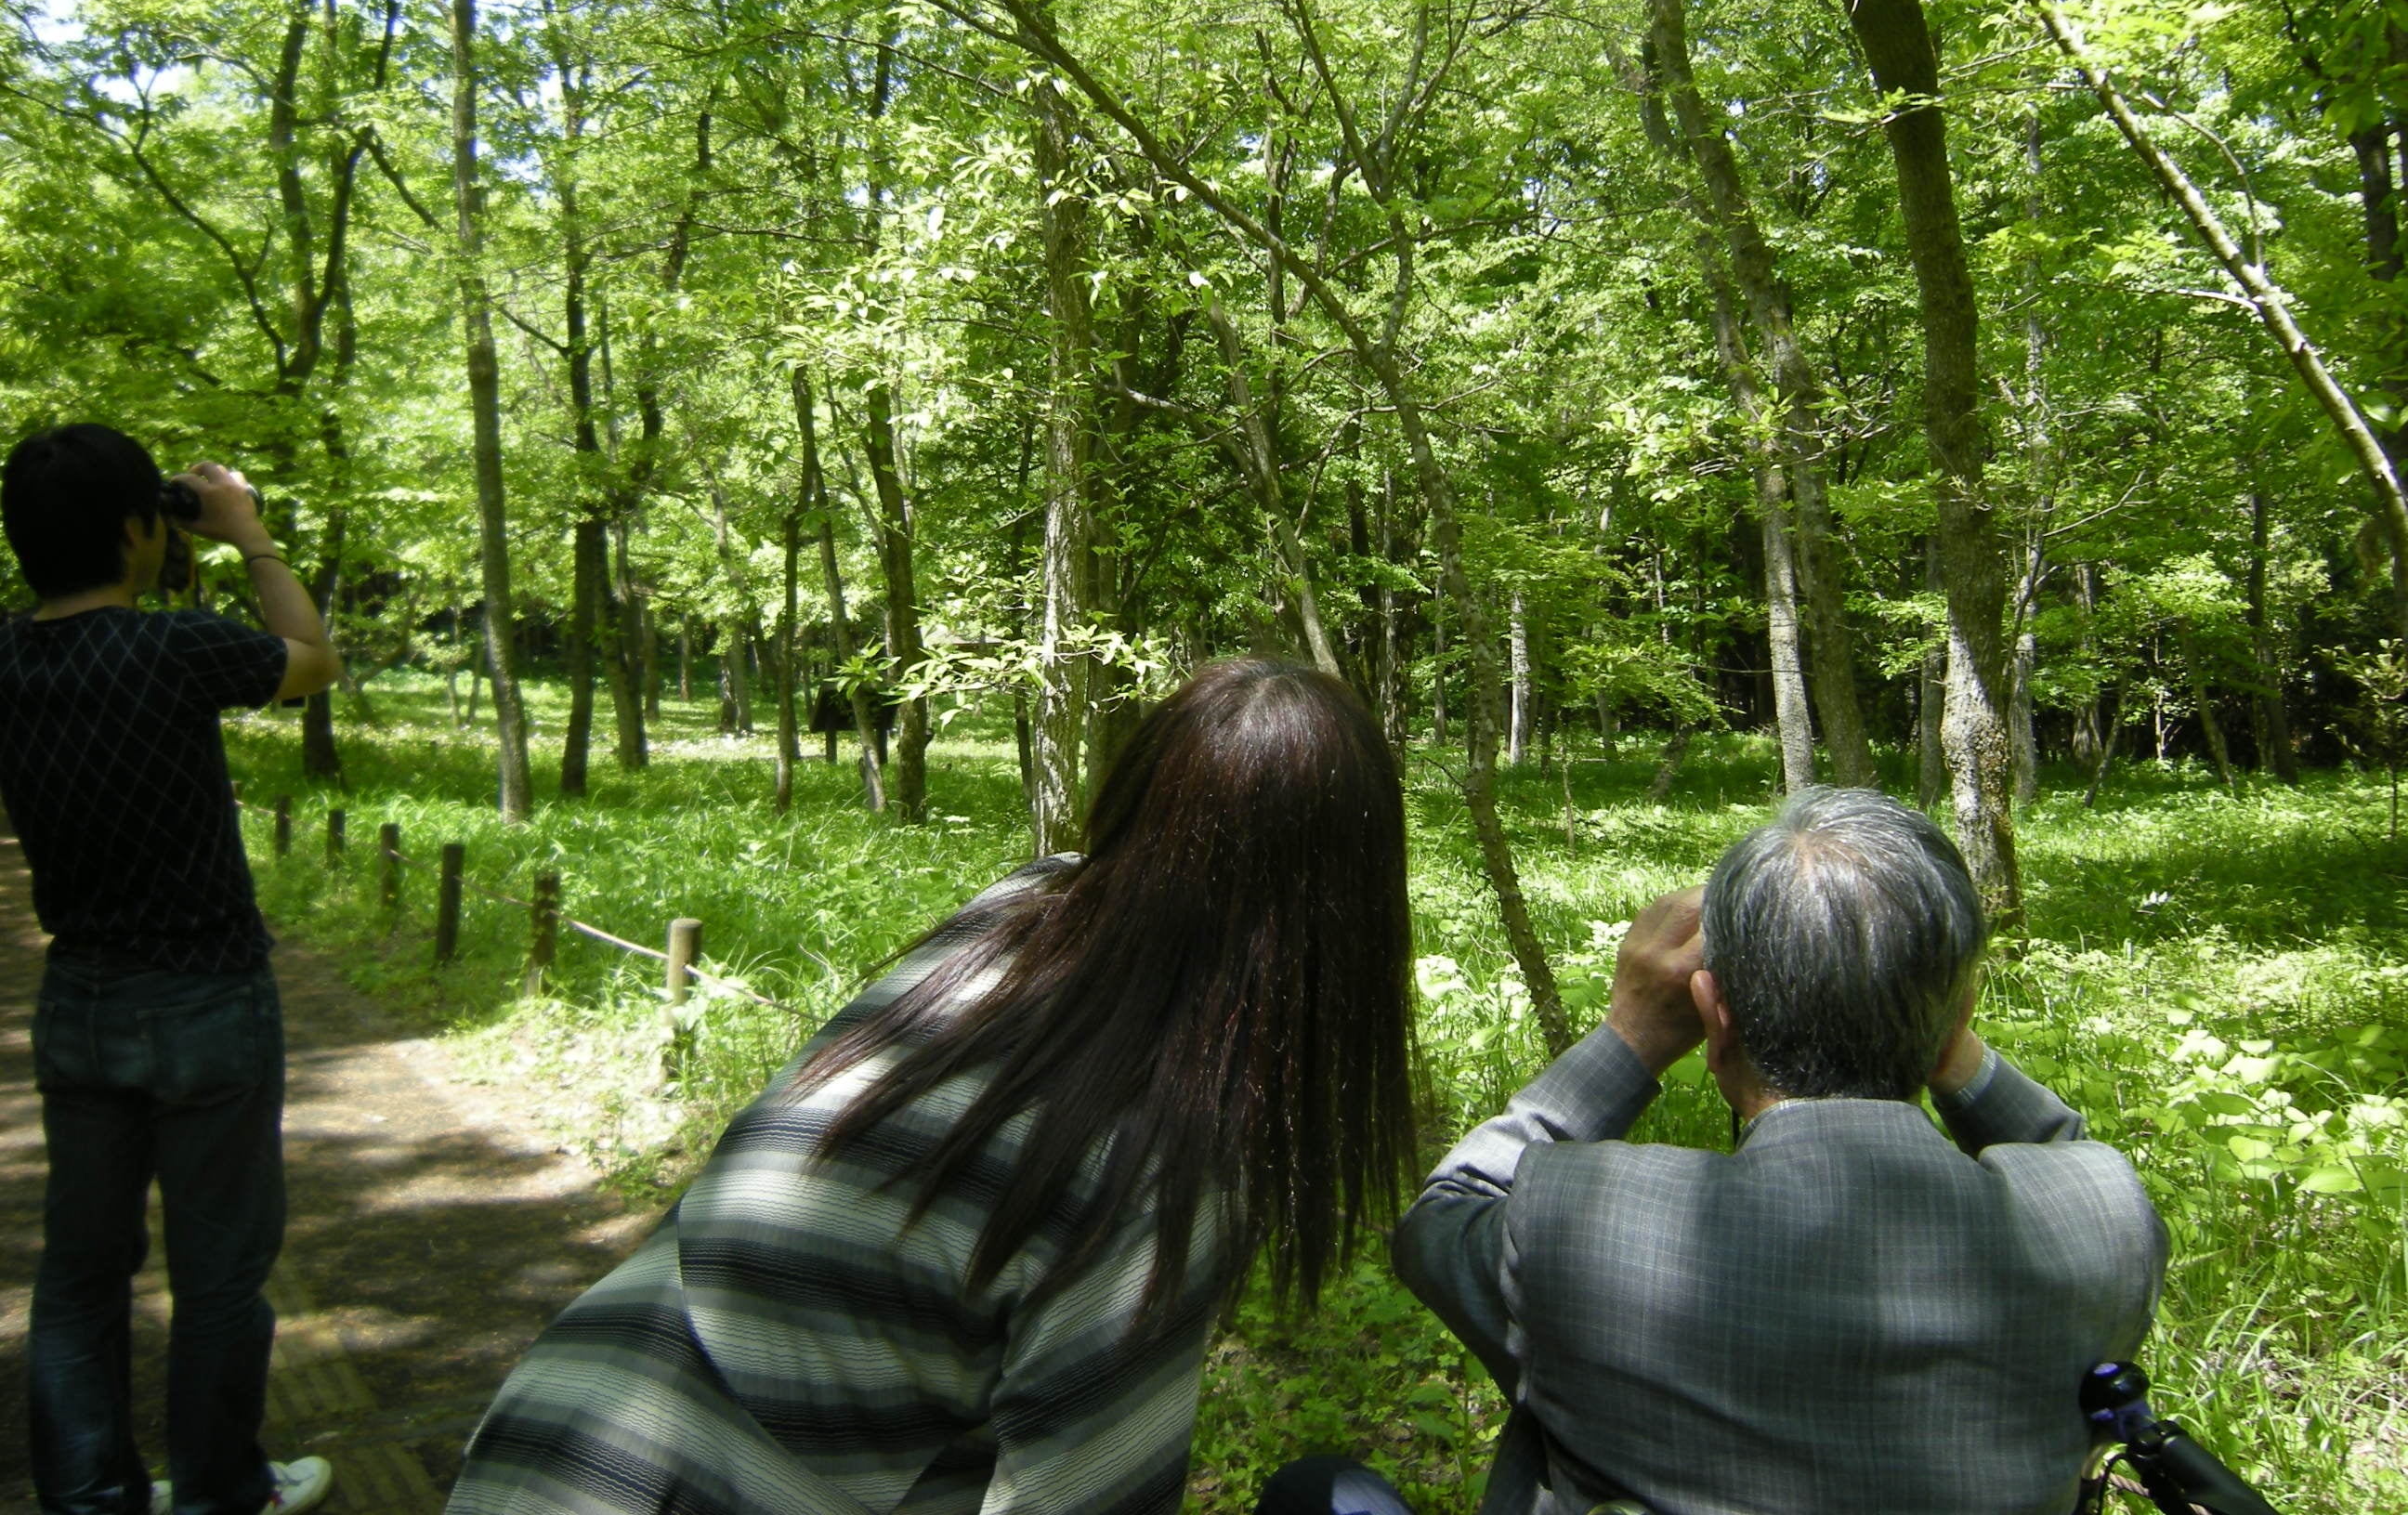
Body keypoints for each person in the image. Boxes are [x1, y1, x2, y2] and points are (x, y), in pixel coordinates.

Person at [446, 656, 1419, 1515]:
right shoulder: (1168, 1169)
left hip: (557, 1417)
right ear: (1353, 914)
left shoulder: (1011, 916)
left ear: (1137, 799)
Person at [1394, 788, 2168, 1515]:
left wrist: (1629, 1039)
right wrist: (1940, 1040)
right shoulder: (2101, 1226)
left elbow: (1444, 1215)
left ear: (1713, 1016)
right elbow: (2072, 1157)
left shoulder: (1580, 1225)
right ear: (1961, 1017)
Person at [0, 424, 343, 1515]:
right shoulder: (174, 647)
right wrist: (250, 537)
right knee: (220, 1275)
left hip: (79, 999)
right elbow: (310, 663)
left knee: (79, 1278)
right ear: (139, 527)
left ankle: (90, 1497)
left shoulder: (5, 657)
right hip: (207, 998)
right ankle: (220, 1491)